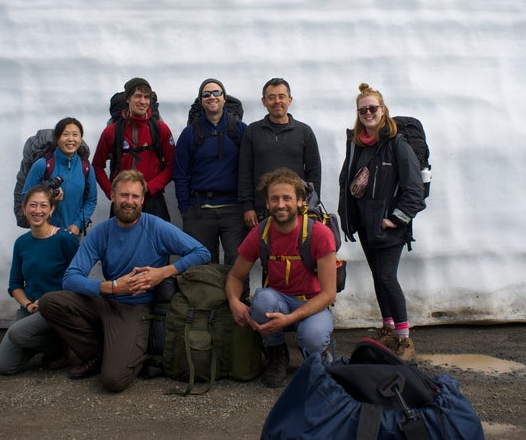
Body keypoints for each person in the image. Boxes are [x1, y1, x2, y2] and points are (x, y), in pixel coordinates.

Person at [39, 170, 210, 392]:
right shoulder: (102, 232)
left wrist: (164, 272)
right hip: (107, 300)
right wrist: (111, 287)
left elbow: (201, 252)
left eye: (135, 196)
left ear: (143, 199)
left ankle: (124, 351)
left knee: (113, 380)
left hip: (136, 308)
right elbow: (70, 278)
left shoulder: (156, 227)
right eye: (124, 195)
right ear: (112, 195)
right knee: (49, 302)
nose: (129, 202)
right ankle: (98, 352)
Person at [225, 167, 337, 388]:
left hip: (311, 302)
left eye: (287, 198)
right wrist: (234, 302)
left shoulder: (319, 234)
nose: (280, 204)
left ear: (299, 201)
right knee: (262, 300)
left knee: (312, 337)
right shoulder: (261, 233)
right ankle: (276, 353)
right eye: (274, 199)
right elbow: (235, 276)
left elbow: (328, 293)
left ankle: (316, 356)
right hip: (279, 300)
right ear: (266, 203)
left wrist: (289, 320)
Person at [337, 83, 426, 361]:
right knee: (379, 277)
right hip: (365, 223)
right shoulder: (356, 145)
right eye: (362, 109)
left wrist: (396, 219)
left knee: (387, 277)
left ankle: (404, 337)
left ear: (383, 110)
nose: (368, 113)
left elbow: (414, 189)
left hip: (388, 225)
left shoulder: (397, 144)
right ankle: (388, 327)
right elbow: (346, 180)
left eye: (373, 108)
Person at [0, 184, 79, 375]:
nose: (37, 211)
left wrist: (51, 301)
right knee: (4, 366)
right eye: (33, 205)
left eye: (43, 206)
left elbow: (78, 279)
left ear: (51, 209)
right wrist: (27, 305)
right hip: (30, 310)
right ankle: (47, 345)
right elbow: (15, 284)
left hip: (57, 309)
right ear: (24, 208)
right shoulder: (22, 243)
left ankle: (58, 346)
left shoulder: (65, 239)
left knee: (17, 333)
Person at [173, 78, 249, 265]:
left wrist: (248, 206)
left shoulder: (240, 130)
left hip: (234, 209)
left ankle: (238, 296)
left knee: (237, 261)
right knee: (203, 264)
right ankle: (208, 296)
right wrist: (185, 210)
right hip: (199, 210)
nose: (212, 97)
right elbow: (180, 173)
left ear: (224, 98)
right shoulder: (189, 133)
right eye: (206, 94)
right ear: (201, 100)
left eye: (216, 93)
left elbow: (250, 168)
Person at [238, 78, 322, 229]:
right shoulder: (252, 131)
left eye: (281, 96)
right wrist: (247, 207)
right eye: (271, 97)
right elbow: (244, 172)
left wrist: (310, 206)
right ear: (264, 101)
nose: (277, 101)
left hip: (296, 212)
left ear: (290, 100)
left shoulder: (305, 132)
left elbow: (314, 173)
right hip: (260, 212)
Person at [92, 77, 175, 221]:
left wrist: (149, 187)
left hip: (153, 200)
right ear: (128, 99)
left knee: (157, 243)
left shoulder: (160, 129)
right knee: (122, 242)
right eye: (138, 96)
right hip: (123, 201)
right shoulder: (112, 132)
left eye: (146, 97)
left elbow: (172, 164)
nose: (143, 101)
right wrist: (111, 191)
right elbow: (97, 165)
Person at [22, 117, 97, 236]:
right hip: (45, 233)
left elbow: (91, 200)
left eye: (75, 135)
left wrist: (78, 224)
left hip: (72, 234)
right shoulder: (42, 165)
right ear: (57, 138)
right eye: (65, 134)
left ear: (80, 138)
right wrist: (48, 198)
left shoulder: (86, 168)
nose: (71, 139)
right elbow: (25, 196)